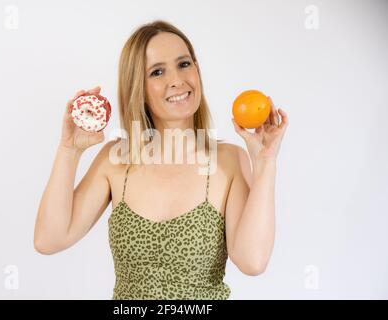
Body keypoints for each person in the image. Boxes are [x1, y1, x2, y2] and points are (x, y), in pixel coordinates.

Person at [34, 20, 288, 300]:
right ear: (137, 88)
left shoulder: (228, 161)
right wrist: (69, 150)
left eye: (184, 64)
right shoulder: (116, 160)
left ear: (197, 70)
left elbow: (252, 261)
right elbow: (49, 239)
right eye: (157, 72)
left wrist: (266, 164)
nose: (177, 80)